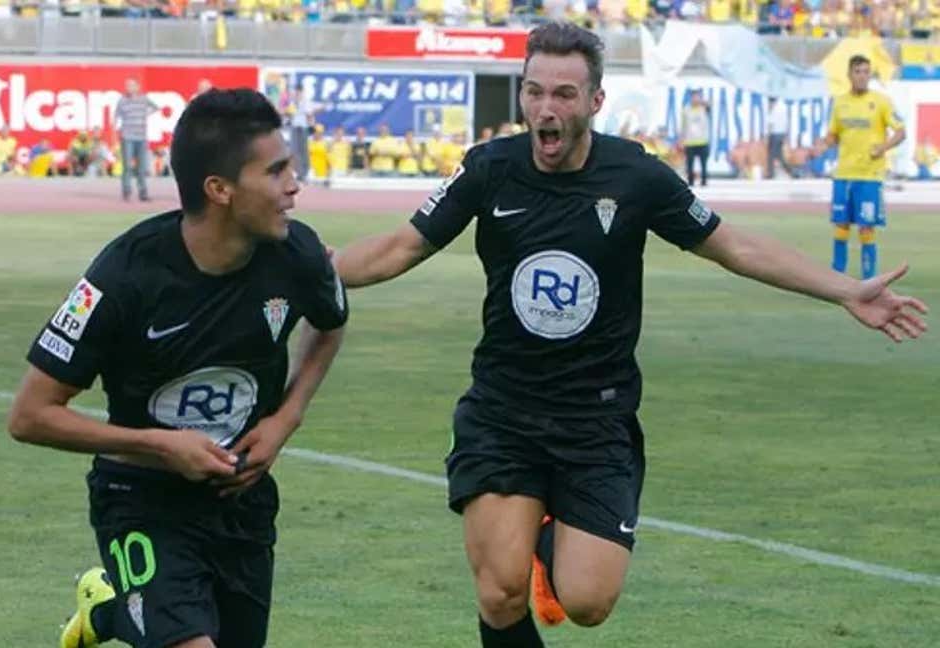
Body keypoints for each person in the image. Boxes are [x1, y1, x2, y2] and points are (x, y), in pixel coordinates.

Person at [333, 22, 928, 648]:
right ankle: (523, 538)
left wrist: (844, 290)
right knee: (500, 592)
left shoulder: (636, 176)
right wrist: (309, 274)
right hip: (503, 411)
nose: (545, 109)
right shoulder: (490, 169)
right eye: (533, 93)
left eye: (564, 95)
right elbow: (400, 246)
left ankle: (545, 536)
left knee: (587, 602)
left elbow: (734, 245)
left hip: (596, 417)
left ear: (595, 102)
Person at [6, 88, 348, 648]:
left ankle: (110, 613)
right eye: (278, 171)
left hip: (240, 502)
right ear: (220, 190)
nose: (295, 186)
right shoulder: (125, 276)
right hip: (141, 498)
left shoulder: (297, 255)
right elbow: (30, 416)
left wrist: (288, 418)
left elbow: (330, 323)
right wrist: (163, 446)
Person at [812, 54, 905, 280]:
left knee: (866, 228)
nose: (863, 77)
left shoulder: (881, 101)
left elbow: (901, 132)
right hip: (843, 174)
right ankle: (837, 277)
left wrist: (882, 147)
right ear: (849, 75)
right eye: (858, 72)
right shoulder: (840, 102)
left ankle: (868, 279)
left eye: (866, 72)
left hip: (869, 176)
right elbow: (834, 134)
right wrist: (823, 145)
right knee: (841, 225)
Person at [115, 79, 160, 200]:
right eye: (127, 86)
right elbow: (116, 117)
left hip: (141, 137)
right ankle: (127, 191)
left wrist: (146, 114)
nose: (129, 88)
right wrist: (117, 133)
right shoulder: (123, 101)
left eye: (131, 86)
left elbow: (156, 107)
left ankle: (143, 192)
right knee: (127, 166)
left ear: (137, 87)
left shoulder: (143, 99)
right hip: (127, 136)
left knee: (142, 166)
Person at [680, 88, 710, 186]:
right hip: (690, 141)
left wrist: (703, 102)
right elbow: (683, 126)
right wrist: (682, 139)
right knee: (690, 164)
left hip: (703, 141)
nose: (695, 99)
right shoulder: (686, 109)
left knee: (703, 164)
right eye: (693, 97)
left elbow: (709, 106)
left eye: (697, 96)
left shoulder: (704, 108)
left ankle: (704, 181)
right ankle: (691, 181)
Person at [765, 95, 794, 179]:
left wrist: (767, 135)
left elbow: (771, 122)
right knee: (779, 155)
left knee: (771, 154)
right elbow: (786, 121)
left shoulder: (774, 108)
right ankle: (790, 170)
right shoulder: (783, 107)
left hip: (775, 133)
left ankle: (770, 173)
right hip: (781, 133)